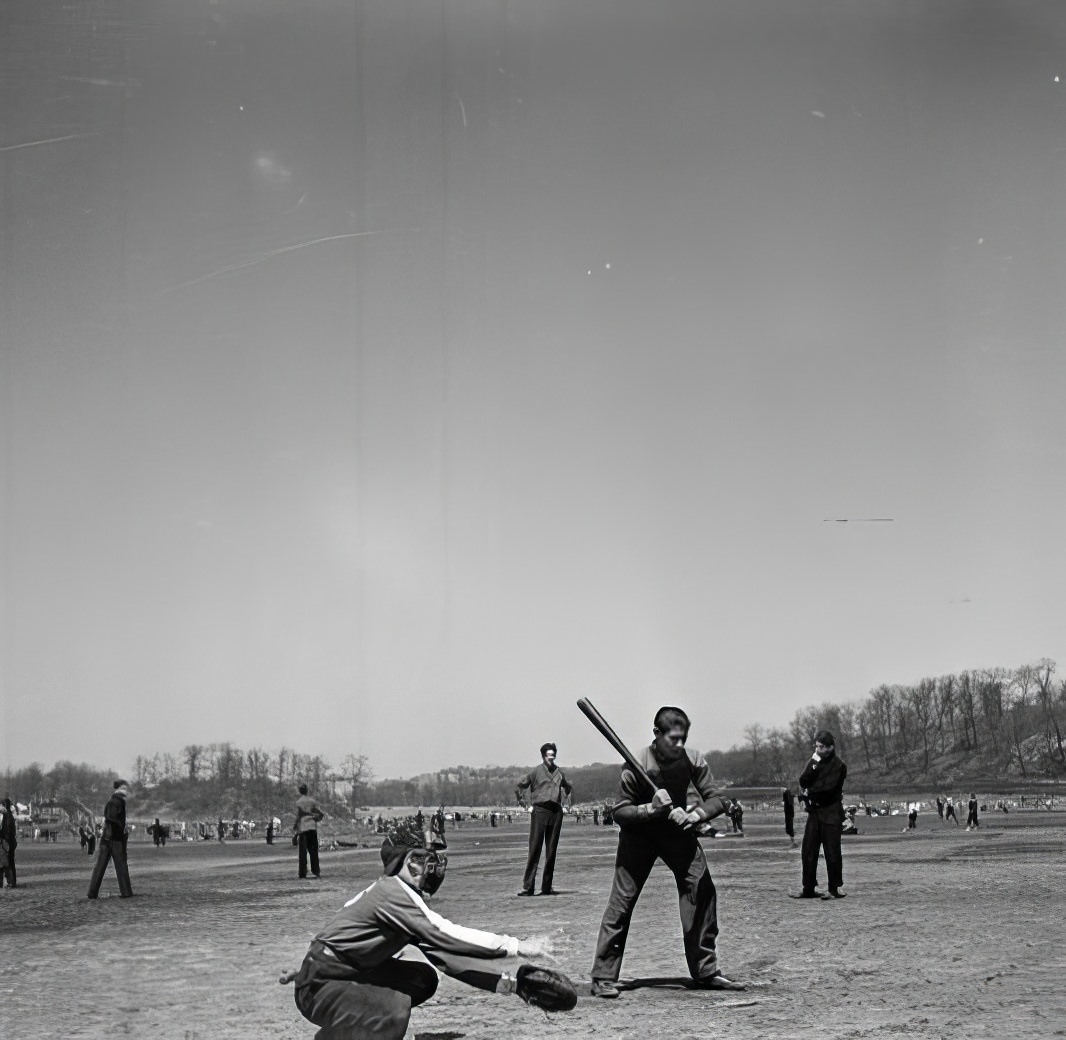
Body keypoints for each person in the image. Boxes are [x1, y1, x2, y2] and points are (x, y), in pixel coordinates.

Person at [281, 822, 576, 1038]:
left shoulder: (402, 898)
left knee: (421, 979)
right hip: (318, 986)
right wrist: (516, 945)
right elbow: (444, 933)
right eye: (425, 857)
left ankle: (352, 1029)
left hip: (335, 974)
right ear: (407, 861)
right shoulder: (393, 894)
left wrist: (510, 984)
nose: (433, 865)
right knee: (393, 1009)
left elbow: (448, 959)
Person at [589, 706, 745, 998]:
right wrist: (651, 808)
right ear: (657, 734)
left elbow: (716, 799)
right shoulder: (637, 764)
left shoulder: (693, 759)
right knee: (622, 902)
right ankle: (603, 977)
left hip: (677, 833)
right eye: (673, 738)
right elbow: (620, 812)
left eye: (684, 738)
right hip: (639, 837)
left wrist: (695, 816)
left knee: (701, 888)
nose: (680, 745)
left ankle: (705, 970)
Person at [793, 730, 847, 900]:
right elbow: (803, 781)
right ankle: (808, 888)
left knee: (832, 851)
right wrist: (813, 761)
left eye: (821, 747)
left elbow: (828, 788)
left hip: (831, 811)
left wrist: (809, 793)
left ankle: (834, 888)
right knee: (808, 850)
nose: (818, 750)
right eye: (816, 746)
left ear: (830, 747)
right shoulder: (816, 762)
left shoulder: (839, 766)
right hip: (815, 812)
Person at [514, 742, 573, 896]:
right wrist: (526, 805)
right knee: (534, 849)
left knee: (551, 851)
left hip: (555, 813)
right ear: (543, 756)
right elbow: (519, 786)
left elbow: (567, 787)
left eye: (553, 756)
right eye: (548, 756)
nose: (551, 758)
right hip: (539, 811)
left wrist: (566, 805)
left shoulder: (559, 773)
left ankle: (546, 887)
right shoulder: (535, 772)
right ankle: (529, 887)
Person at [87, 779, 134, 899]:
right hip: (115, 839)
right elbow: (111, 817)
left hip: (106, 839)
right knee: (121, 867)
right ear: (119, 789)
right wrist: (122, 827)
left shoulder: (112, 801)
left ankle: (92, 893)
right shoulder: (118, 802)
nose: (126, 791)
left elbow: (109, 817)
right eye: (124, 788)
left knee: (100, 867)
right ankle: (126, 892)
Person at [295, 783, 325, 879]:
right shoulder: (312, 802)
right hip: (312, 827)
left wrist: (295, 826)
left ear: (300, 791)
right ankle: (316, 870)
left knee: (303, 852)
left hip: (303, 828)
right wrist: (316, 819)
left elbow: (298, 816)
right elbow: (321, 814)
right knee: (313, 851)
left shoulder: (298, 802)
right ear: (307, 790)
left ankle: (302, 872)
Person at [1, 797, 18, 888]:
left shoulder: (6, 816)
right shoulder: (9, 815)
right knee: (10, 862)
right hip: (11, 841)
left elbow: (6, 830)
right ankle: (11, 881)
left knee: (7, 862)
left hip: (8, 842)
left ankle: (10, 882)